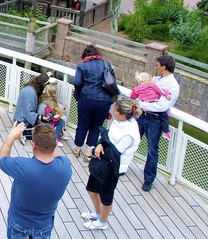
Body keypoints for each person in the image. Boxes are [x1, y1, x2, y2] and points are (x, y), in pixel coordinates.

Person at [0, 123, 72, 239]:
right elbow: (54, 155)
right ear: (55, 144)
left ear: (34, 145)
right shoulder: (65, 165)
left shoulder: (22, 166)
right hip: (44, 224)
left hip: (19, 222)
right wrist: (49, 145)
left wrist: (11, 137)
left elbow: (0, 160)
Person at [81, 100, 141, 230]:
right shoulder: (118, 122)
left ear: (123, 115)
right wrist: (100, 144)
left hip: (113, 167)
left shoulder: (130, 133)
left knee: (106, 195)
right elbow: (107, 137)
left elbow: (115, 153)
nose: (112, 112)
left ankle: (103, 222)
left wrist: (94, 150)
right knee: (91, 189)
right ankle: (98, 213)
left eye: (115, 111)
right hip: (102, 161)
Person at [136, 55, 180, 192]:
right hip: (143, 115)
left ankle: (148, 179)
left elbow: (161, 106)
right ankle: (119, 165)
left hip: (155, 119)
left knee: (152, 149)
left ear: (163, 67)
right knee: (131, 139)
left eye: (157, 65)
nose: (155, 67)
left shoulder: (173, 85)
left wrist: (142, 104)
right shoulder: (157, 79)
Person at [73, 45, 117, 162]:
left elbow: (77, 83)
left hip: (86, 99)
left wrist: (78, 96)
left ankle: (77, 148)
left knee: (82, 124)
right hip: (104, 101)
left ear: (85, 55)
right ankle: (88, 153)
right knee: (96, 127)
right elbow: (112, 82)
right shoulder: (107, 65)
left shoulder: (82, 66)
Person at [13, 72, 51, 144]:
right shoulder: (30, 93)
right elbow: (28, 112)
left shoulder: (31, 88)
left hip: (25, 117)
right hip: (22, 120)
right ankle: (22, 132)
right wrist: (41, 117)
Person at [37, 82, 67, 147]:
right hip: (44, 123)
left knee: (61, 120)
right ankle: (55, 138)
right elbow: (44, 117)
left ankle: (58, 134)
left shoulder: (47, 100)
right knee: (61, 121)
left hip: (47, 121)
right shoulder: (45, 104)